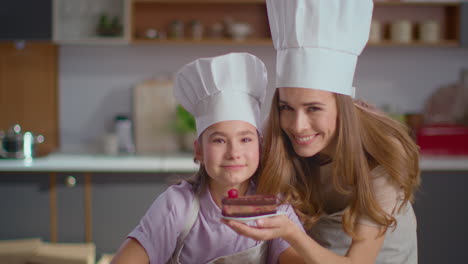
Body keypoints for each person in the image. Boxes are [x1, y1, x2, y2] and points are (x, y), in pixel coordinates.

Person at [223, 1, 421, 263]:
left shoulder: (379, 154)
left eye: (313, 109)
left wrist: (291, 233)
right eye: (287, 108)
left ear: (342, 108)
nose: (297, 125)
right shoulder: (277, 134)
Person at [111, 53, 304, 264]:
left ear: (260, 146)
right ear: (199, 151)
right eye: (219, 140)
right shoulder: (177, 205)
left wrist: (291, 234)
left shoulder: (276, 207)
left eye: (245, 139)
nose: (234, 152)